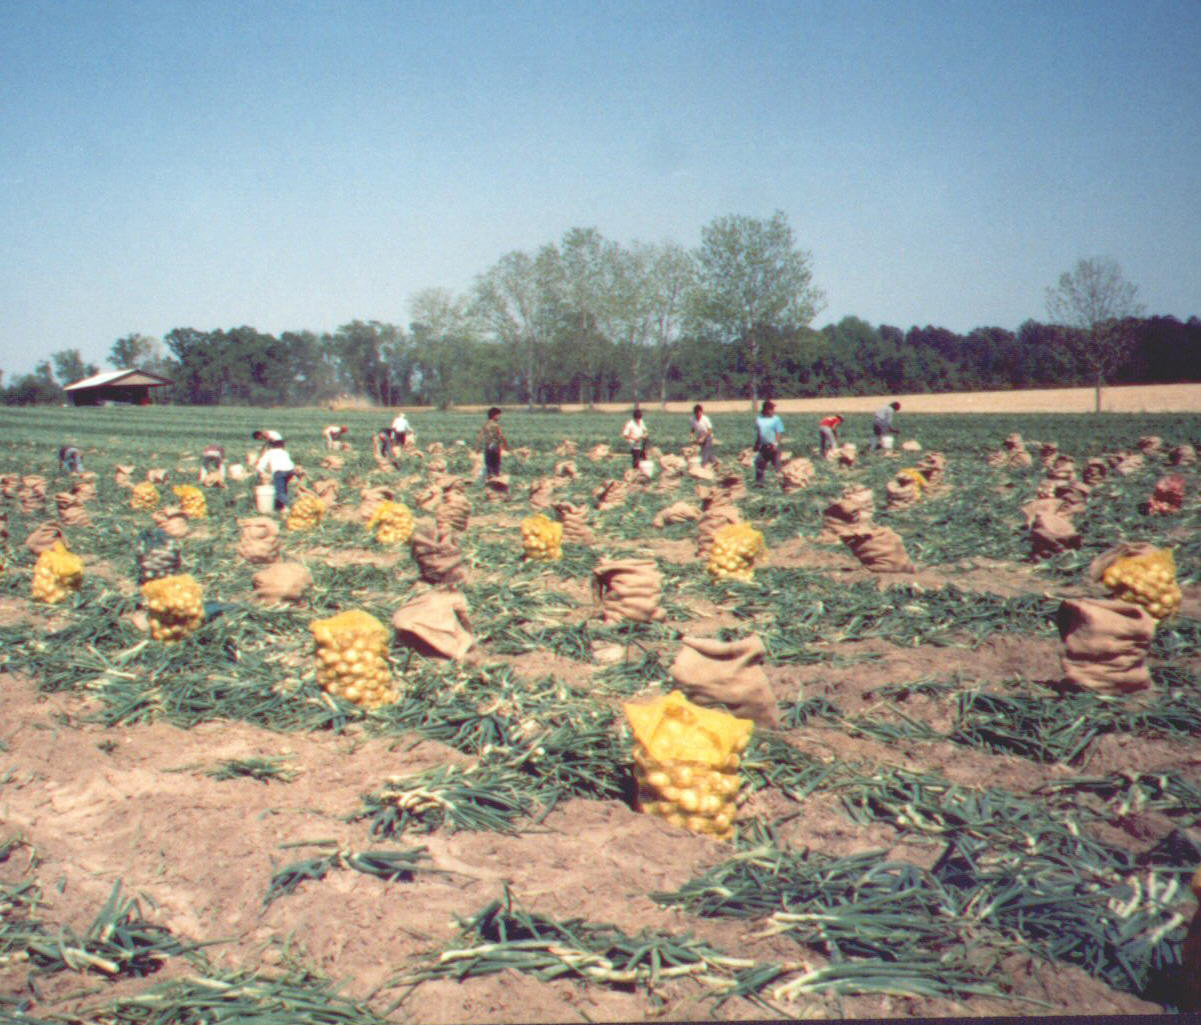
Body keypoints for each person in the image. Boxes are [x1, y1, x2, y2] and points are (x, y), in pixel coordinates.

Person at [256, 435, 295, 511]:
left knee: (279, 492)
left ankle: (292, 505)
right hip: (290, 471)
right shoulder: (284, 452)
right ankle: (284, 508)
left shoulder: (270, 452)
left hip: (279, 472)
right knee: (284, 489)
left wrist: (261, 472)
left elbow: (261, 464)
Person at [753, 400, 785, 485]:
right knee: (759, 463)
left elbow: (779, 432)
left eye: (773, 409)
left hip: (773, 446)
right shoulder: (759, 419)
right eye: (771, 409)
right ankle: (759, 483)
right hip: (763, 446)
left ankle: (781, 482)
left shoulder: (776, 419)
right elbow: (759, 433)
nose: (773, 411)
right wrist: (756, 444)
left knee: (777, 465)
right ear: (766, 409)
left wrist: (775, 443)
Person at [475, 406, 509, 480]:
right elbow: (501, 436)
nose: (499, 417)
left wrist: (477, 447)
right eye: (498, 415)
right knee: (496, 464)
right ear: (494, 415)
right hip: (495, 447)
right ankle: (495, 479)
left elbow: (480, 436)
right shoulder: (495, 425)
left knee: (489, 465)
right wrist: (506, 446)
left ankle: (490, 479)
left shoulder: (486, 425)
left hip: (488, 447)